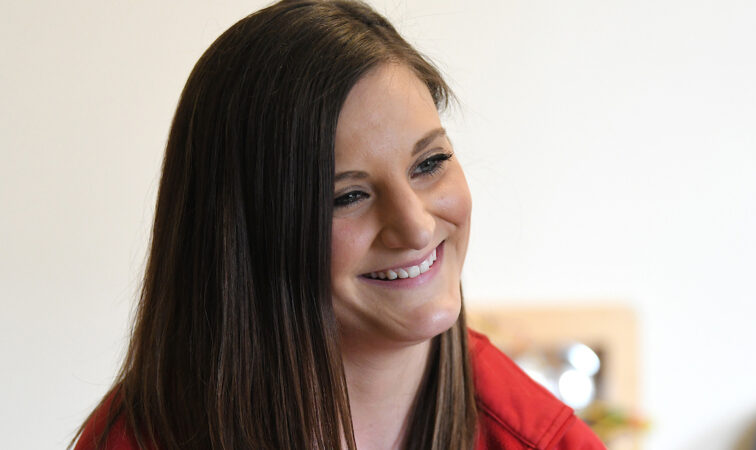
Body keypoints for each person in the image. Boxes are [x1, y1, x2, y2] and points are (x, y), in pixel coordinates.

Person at [71, 1, 605, 449]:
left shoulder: (544, 441)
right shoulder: (134, 440)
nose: (416, 228)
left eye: (429, 163)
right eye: (348, 196)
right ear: (243, 237)